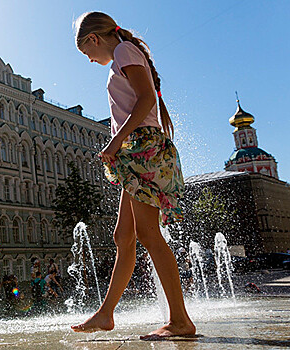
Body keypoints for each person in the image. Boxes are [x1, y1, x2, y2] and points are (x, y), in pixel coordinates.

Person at [70, 12, 196, 339]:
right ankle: (106, 313)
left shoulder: (124, 52)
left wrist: (115, 140)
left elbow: (145, 99)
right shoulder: (125, 55)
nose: (89, 59)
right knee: (123, 237)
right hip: (136, 152)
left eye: (86, 52)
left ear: (94, 38)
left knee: (149, 235)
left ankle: (180, 320)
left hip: (142, 148)